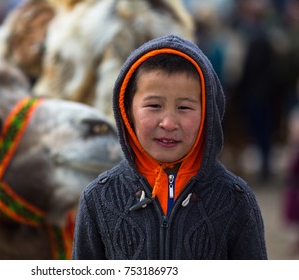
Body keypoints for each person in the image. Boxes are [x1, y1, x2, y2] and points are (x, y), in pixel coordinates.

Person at [72, 35, 267, 259]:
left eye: (184, 107)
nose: (168, 123)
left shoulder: (235, 200)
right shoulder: (98, 198)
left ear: (208, 114)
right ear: (127, 111)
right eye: (154, 106)